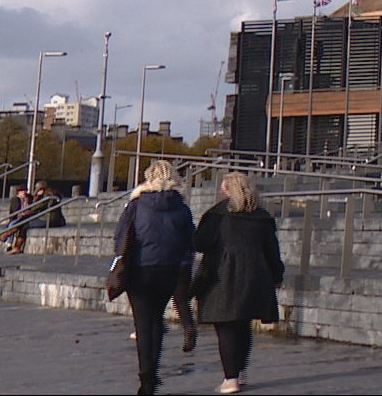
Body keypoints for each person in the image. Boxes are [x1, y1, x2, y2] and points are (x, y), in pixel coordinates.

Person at [192, 172, 284, 395]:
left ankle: (230, 378)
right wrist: (277, 276)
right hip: (255, 276)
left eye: (223, 188)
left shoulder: (217, 215)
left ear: (227, 190)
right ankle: (239, 371)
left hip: (222, 276)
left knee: (226, 327)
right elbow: (272, 251)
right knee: (243, 324)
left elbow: (199, 243)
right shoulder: (261, 217)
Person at [116, 159, 195, 395]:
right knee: (156, 320)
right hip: (169, 269)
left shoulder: (136, 204)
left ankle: (146, 378)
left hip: (140, 269)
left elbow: (121, 236)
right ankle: (153, 371)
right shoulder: (181, 206)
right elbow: (191, 240)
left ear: (148, 177)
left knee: (143, 323)